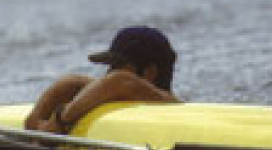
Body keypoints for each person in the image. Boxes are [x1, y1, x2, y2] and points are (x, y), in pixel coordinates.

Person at [25, 26, 181, 134]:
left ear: (149, 73)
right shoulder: (125, 91)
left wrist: (60, 122)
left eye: (116, 66)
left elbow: (120, 81)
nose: (109, 73)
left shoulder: (165, 101)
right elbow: (74, 82)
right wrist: (37, 120)